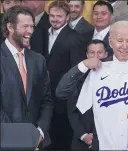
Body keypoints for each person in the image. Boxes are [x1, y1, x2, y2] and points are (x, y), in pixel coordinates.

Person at [76, 21, 128, 150]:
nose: (124, 46)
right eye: (120, 40)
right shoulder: (97, 71)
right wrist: (83, 65)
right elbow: (74, 102)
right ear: (111, 43)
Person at [1, 6, 53, 149]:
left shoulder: (38, 60)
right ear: (10, 27)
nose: (30, 31)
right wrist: (21, 138)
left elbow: (47, 100)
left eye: (32, 26)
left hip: (37, 141)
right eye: (25, 26)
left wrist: (39, 132)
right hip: (6, 141)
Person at [45, 1, 86, 150]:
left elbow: (78, 73)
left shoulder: (75, 38)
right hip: (44, 99)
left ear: (67, 17)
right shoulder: (43, 33)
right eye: (52, 15)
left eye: (59, 16)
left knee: (61, 141)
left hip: (63, 102)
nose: (55, 19)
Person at [67, 40, 108, 150]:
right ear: (86, 55)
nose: (95, 56)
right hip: (81, 140)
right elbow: (71, 110)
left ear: (106, 54)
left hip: (108, 139)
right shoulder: (78, 76)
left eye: (99, 53)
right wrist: (83, 135)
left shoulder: (115, 76)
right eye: (91, 52)